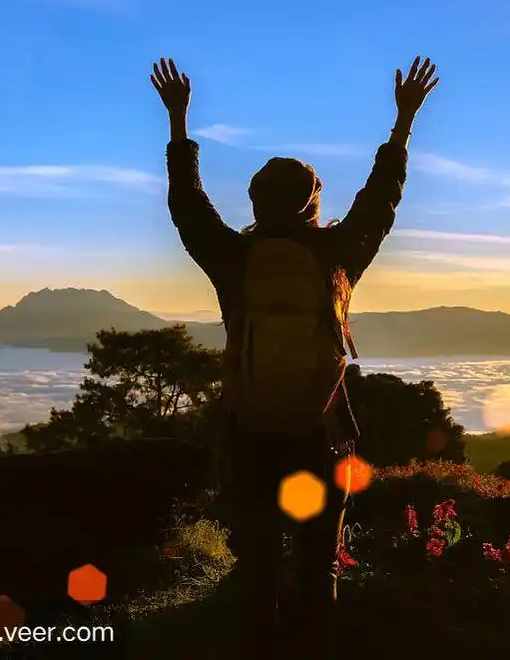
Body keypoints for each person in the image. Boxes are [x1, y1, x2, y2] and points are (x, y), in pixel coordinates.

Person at [153, 55, 439, 659]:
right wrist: (403, 123)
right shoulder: (338, 257)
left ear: (255, 203)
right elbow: (380, 200)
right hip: (321, 438)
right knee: (317, 570)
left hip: (251, 439)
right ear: (313, 202)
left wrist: (178, 125)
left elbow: (189, 208)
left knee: (256, 571)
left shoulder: (233, 261)